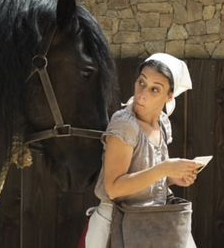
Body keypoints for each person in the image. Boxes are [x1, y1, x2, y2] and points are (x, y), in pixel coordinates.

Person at [83, 53, 203, 248]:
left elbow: (145, 175)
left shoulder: (163, 123)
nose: (142, 93)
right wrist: (163, 170)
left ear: (169, 96)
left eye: (155, 89)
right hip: (117, 227)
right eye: (141, 82)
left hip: (154, 224)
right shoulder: (125, 124)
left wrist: (171, 178)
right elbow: (113, 188)